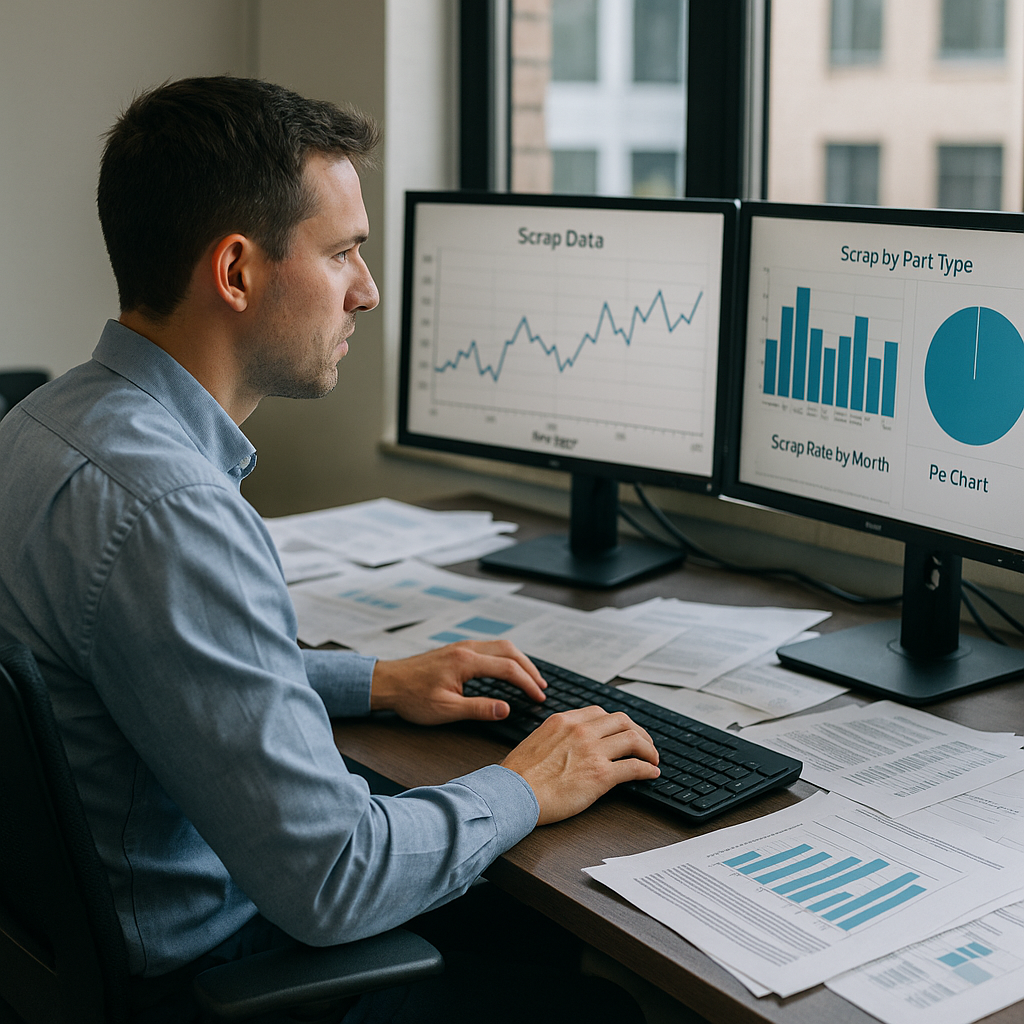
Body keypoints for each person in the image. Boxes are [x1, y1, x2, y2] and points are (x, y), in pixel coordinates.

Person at [0, 77, 659, 1021]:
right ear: (235, 271)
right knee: (602, 1002)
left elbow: (153, 668)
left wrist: (375, 680)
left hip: (67, 957)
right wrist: (525, 783)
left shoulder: (43, 423)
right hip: (208, 977)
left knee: (514, 929)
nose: (368, 289)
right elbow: (334, 881)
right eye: (343, 251)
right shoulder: (174, 511)